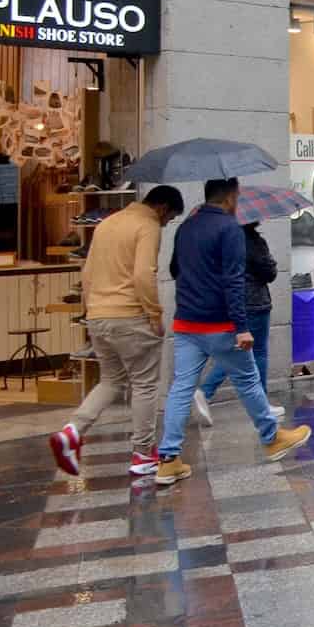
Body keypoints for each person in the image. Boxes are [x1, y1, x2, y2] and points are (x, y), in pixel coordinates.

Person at [155, 179, 311, 486]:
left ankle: (169, 459)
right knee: (248, 378)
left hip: (186, 322)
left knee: (182, 386)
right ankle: (272, 437)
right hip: (220, 323)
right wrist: (241, 327)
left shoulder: (186, 227)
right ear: (230, 196)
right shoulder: (229, 228)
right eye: (237, 195)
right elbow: (233, 280)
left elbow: (174, 270)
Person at [47, 185, 185, 478]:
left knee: (111, 380)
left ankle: (73, 432)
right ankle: (143, 454)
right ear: (162, 208)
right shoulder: (147, 225)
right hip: (131, 317)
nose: (165, 224)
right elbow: (142, 274)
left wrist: (91, 308)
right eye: (169, 218)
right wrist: (155, 314)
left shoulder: (107, 223)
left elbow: (87, 273)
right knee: (145, 384)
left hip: (98, 315)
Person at [190, 218, 283, 427]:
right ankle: (261, 405)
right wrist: (270, 261)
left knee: (237, 353)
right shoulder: (253, 241)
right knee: (256, 352)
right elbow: (269, 273)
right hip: (254, 303)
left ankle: (206, 392)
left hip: (231, 303)